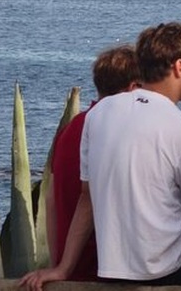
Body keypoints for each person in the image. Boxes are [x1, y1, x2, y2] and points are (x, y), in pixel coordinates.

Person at [21, 22, 181, 290]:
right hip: (171, 265)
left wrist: (63, 268)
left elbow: (87, 198)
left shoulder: (99, 113)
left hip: (114, 267)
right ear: (179, 66)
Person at [45, 44, 141, 281]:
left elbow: (50, 200)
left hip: (71, 266)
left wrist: (58, 261)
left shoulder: (72, 128)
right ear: (134, 87)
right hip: (102, 267)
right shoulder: (119, 131)